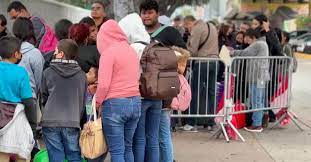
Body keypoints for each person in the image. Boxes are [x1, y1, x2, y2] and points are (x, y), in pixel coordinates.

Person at [136, 1, 186, 162]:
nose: (146, 16)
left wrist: (166, 57)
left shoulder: (169, 31)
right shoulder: (137, 32)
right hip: (141, 91)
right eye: (143, 12)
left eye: (150, 12)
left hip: (163, 92)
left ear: (157, 14)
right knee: (144, 135)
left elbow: (184, 56)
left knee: (162, 134)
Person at [96, 20, 141, 162]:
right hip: (135, 102)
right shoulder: (131, 50)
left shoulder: (108, 53)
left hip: (115, 104)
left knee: (116, 151)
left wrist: (97, 101)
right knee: (127, 147)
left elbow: (103, 85)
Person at [41, 39, 86, 162]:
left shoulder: (48, 72)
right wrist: (80, 121)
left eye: (55, 51)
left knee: (56, 156)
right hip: (72, 121)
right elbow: (82, 102)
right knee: (74, 155)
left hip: (50, 120)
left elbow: (44, 97)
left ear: (60, 54)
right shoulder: (82, 75)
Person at [0, 36, 36, 162]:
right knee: (22, 155)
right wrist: (33, 123)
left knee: (2, 155)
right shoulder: (20, 72)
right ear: (16, 54)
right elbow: (28, 101)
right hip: (16, 118)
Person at [230, 28, 270, 132]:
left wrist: (232, 52)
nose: (244, 39)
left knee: (256, 100)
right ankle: (258, 122)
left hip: (256, 76)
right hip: (260, 76)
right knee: (259, 100)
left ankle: (256, 124)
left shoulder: (258, 44)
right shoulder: (262, 43)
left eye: (246, 37)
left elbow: (245, 53)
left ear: (251, 36)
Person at [13, 17, 44, 138]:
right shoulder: (35, 53)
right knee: (28, 133)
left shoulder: (8, 49)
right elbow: (38, 78)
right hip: (30, 98)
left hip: (8, 97)